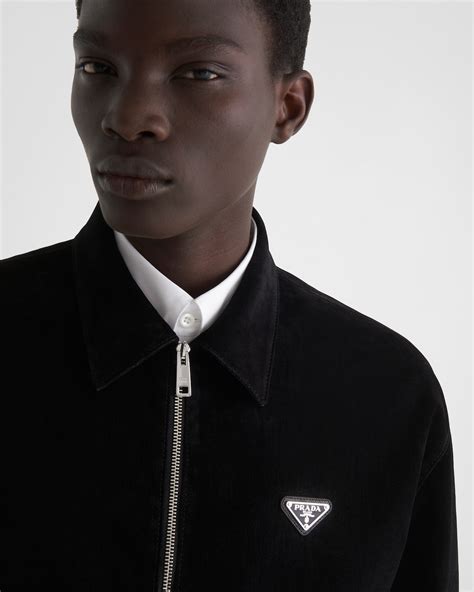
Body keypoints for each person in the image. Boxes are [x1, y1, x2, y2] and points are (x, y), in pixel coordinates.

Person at [0, 0, 459, 590]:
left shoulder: (388, 396)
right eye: (98, 67)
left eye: (199, 73)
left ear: (287, 106)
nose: (127, 117)